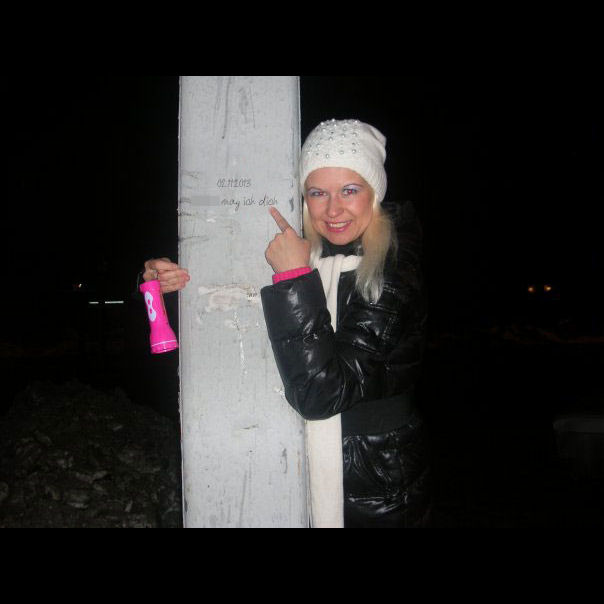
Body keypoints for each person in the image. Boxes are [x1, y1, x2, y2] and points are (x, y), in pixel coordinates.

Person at [142, 119, 431, 528]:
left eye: (349, 190)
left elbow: (322, 394)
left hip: (372, 481)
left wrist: (294, 278)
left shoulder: (393, 269)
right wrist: (172, 279)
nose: (333, 209)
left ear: (374, 193)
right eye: (318, 192)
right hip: (298, 458)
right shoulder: (312, 252)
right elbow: (248, 299)